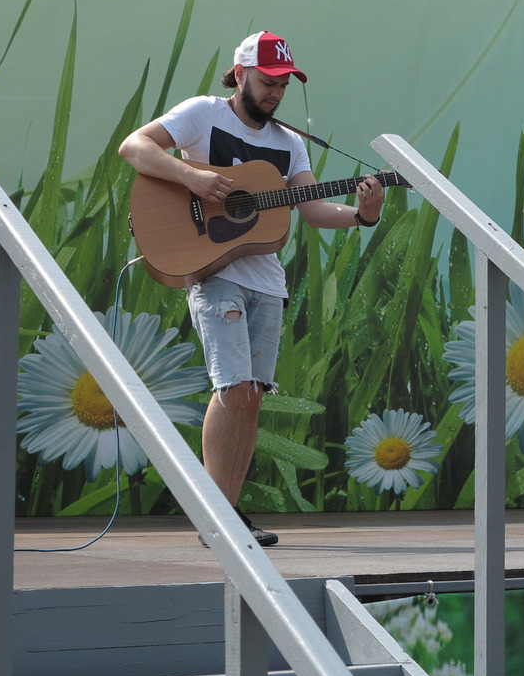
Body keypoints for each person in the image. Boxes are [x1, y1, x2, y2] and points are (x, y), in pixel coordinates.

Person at [119, 30, 384, 546]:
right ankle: (214, 516)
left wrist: (362, 215)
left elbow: (312, 209)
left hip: (266, 280)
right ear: (240, 74)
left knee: (253, 399)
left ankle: (229, 514)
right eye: (267, 82)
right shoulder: (203, 114)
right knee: (233, 388)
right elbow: (135, 146)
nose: (276, 93)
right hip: (214, 271)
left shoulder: (290, 144)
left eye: (283, 85)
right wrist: (193, 179)